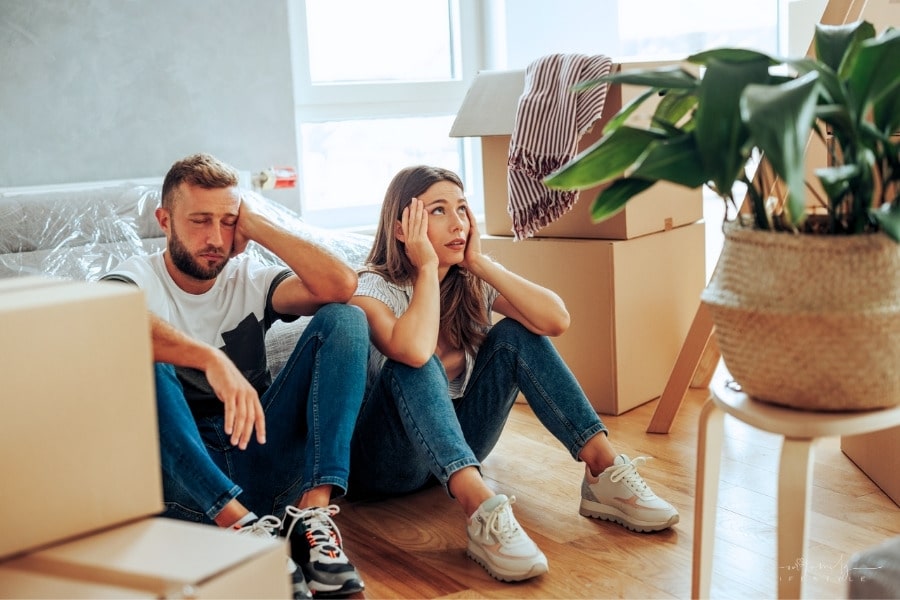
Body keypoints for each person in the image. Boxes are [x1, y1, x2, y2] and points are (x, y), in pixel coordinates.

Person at [347, 165, 679, 583]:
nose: (458, 223)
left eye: (462, 209)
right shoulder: (371, 288)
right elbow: (413, 349)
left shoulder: (469, 283)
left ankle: (603, 470)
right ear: (402, 228)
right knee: (417, 360)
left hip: (460, 450)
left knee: (516, 333)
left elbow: (555, 319)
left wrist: (480, 264)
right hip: (385, 465)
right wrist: (427, 268)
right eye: (437, 211)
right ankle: (481, 510)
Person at [101, 153, 368, 599]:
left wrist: (258, 224)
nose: (215, 238)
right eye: (200, 221)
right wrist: (210, 358)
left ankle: (312, 517)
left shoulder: (249, 277)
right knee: (142, 356)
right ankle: (239, 529)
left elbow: (340, 286)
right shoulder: (136, 278)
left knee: (347, 320)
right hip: (184, 478)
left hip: (258, 452)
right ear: (164, 220)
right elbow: (109, 321)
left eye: (227, 222)